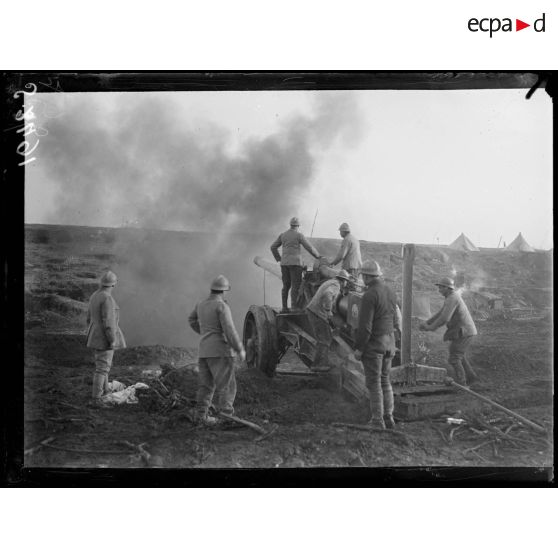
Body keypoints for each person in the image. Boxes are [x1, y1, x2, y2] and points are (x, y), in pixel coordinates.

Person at [188, 274, 246, 425]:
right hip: (220, 352)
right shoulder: (222, 306)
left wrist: (205, 333)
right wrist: (239, 349)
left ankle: (201, 416)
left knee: (205, 386)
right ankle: (227, 418)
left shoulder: (200, 304)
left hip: (204, 351)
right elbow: (229, 330)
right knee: (226, 386)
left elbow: (191, 320)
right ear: (224, 291)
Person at [353, 260, 399, 430]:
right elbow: (394, 319)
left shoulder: (370, 295)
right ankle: (389, 417)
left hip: (374, 344)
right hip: (389, 343)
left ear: (366, 276)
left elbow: (365, 327)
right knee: (385, 381)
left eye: (363, 276)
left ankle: (377, 421)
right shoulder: (390, 291)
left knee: (374, 384)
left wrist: (359, 348)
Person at [419, 277, 478, 385]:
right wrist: (427, 323)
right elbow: (440, 313)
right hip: (464, 331)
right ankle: (471, 377)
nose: (439, 290)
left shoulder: (452, 298)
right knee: (458, 354)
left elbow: (444, 318)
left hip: (465, 332)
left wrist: (431, 327)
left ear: (447, 288)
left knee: (454, 358)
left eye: (441, 287)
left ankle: (462, 384)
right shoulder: (450, 298)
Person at [86, 270, 126, 405]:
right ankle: (96, 399)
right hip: (104, 337)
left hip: (95, 335)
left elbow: (88, 318)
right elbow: (109, 323)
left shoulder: (94, 295)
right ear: (113, 285)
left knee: (103, 365)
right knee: (102, 369)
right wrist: (112, 340)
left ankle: (106, 390)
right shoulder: (107, 298)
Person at [305, 269, 353, 371]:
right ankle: (318, 365)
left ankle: (321, 362)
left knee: (324, 338)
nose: (346, 284)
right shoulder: (336, 285)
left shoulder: (330, 282)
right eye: (346, 282)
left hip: (314, 311)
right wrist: (328, 310)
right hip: (317, 313)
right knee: (325, 339)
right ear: (343, 280)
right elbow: (327, 294)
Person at [270, 217, 321, 312]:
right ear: (298, 226)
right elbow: (309, 248)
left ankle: (284, 308)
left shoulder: (283, 235)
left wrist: (279, 259)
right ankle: (294, 307)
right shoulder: (299, 235)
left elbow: (273, 247)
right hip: (296, 264)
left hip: (284, 264)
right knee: (295, 286)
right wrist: (318, 257)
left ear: (290, 225)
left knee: (286, 286)